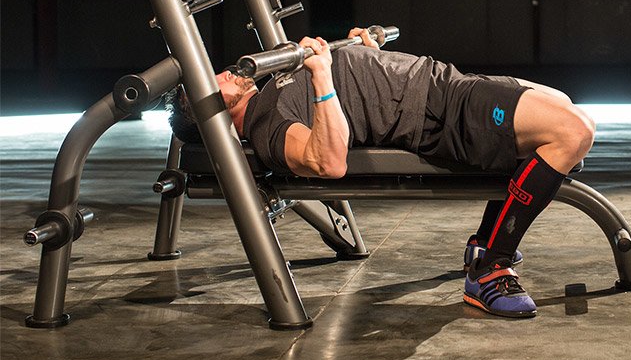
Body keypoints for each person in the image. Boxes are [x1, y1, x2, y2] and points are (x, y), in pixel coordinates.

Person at [167, 28, 595, 319]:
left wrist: (360, 52)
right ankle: (491, 270)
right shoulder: (267, 128)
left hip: (444, 82)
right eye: (206, 83)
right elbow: (328, 160)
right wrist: (321, 75)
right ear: (209, 117)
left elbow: (357, 92)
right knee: (572, 133)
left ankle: (484, 244)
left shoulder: (273, 81)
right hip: (440, 112)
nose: (217, 73)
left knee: (563, 109)